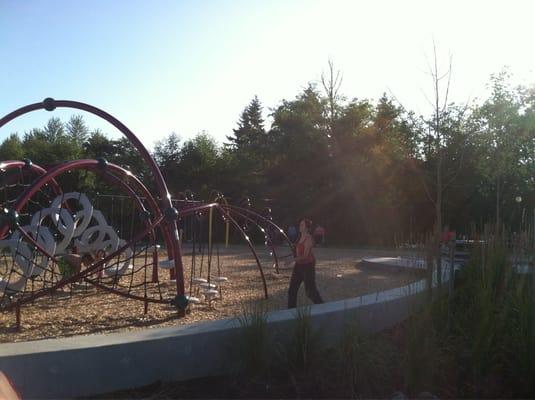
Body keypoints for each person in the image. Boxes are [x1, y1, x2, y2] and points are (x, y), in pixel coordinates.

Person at [287, 219, 324, 308]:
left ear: (307, 228)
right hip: (298, 266)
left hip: (308, 266)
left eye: (302, 225)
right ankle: (290, 311)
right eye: (300, 225)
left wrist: (292, 260)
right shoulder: (299, 237)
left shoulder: (309, 239)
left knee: (310, 291)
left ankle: (323, 307)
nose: (300, 226)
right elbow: (297, 252)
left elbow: (305, 256)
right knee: (292, 290)